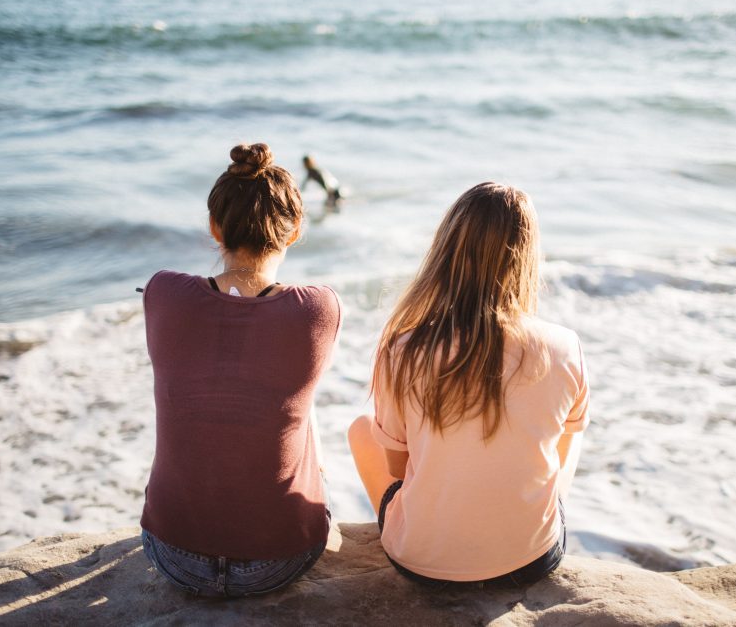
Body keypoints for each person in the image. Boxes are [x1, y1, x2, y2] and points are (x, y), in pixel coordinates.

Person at [348, 182, 589, 588]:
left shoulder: (403, 349)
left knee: (361, 428)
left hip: (422, 564)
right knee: (571, 434)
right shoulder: (564, 346)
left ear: (445, 252)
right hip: (531, 557)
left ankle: (432, 533)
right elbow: (560, 449)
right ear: (527, 257)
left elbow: (398, 468)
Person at [139, 142, 342, 598]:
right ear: (292, 233)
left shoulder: (163, 291)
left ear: (215, 227)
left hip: (174, 556)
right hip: (280, 560)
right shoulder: (318, 308)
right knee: (298, 406)